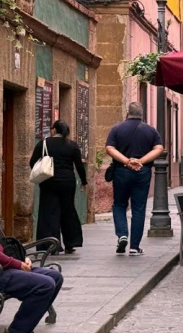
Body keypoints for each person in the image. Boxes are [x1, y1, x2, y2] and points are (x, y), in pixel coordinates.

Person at [105, 102, 164, 256]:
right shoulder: (151, 130)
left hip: (121, 172)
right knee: (138, 208)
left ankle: (122, 234)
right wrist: (141, 161)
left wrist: (126, 161)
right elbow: (159, 148)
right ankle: (134, 246)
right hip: (142, 172)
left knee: (119, 204)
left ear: (127, 113)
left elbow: (109, 148)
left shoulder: (117, 129)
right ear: (142, 114)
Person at [29, 120, 87, 254]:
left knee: (49, 212)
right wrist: (84, 182)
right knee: (68, 210)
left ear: (54, 130)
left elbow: (32, 161)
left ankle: (50, 245)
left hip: (49, 181)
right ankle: (71, 243)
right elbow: (79, 165)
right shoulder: (72, 145)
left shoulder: (44, 143)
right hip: (68, 182)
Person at [0, 242, 63, 333]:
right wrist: (18, 264)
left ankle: (25, 326)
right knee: (45, 284)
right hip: (2, 273)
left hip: (8, 267)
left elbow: (5, 248)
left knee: (56, 277)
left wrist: (23, 258)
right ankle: (17, 330)